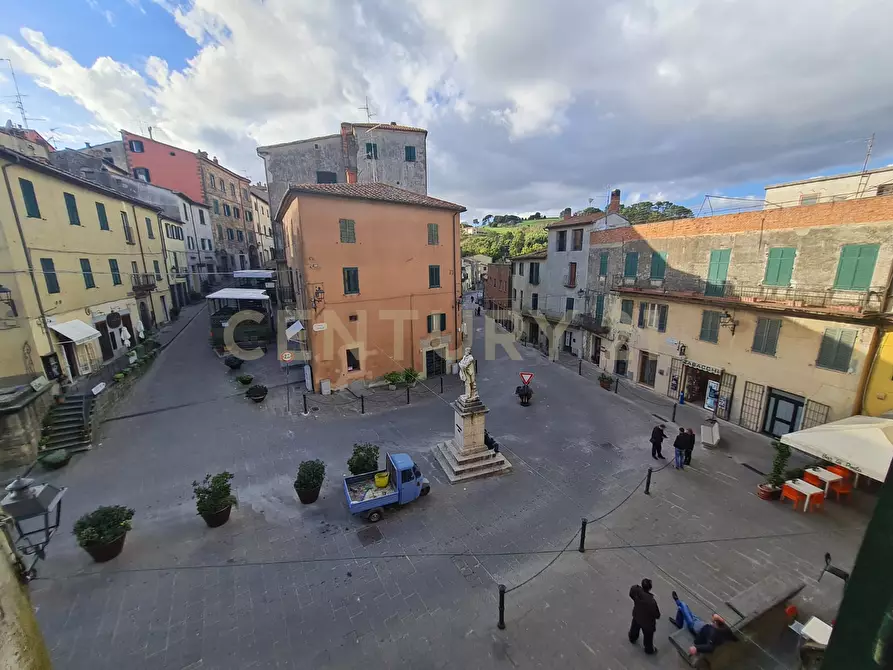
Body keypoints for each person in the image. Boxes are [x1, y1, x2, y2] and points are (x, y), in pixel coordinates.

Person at [669, 591, 737, 656]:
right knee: (682, 610)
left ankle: (677, 601)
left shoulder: (713, 635)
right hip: (699, 622)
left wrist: (696, 648)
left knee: (683, 606)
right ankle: (679, 623)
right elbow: (731, 634)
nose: (713, 623)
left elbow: (710, 648)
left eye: (714, 623)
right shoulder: (724, 629)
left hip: (693, 625)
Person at [628, 578, 660, 655]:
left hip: (637, 616)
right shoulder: (651, 601)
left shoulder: (636, 590)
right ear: (650, 588)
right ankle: (649, 649)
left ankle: (632, 638)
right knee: (648, 637)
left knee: (634, 628)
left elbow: (631, 594)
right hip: (647, 623)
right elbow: (657, 615)